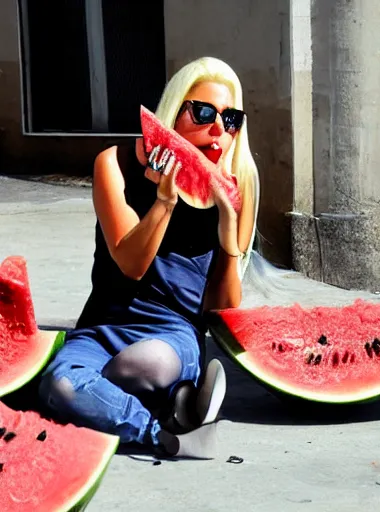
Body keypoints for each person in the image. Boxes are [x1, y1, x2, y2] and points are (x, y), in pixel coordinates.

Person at [38, 57, 260, 460]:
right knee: (61, 385)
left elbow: (221, 307)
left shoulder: (239, 185)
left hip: (173, 335)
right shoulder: (115, 164)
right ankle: (167, 425)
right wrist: (163, 202)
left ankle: (113, 401)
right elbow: (130, 263)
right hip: (102, 328)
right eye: (204, 112)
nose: (216, 130)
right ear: (173, 110)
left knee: (149, 364)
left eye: (230, 119)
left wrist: (228, 230)